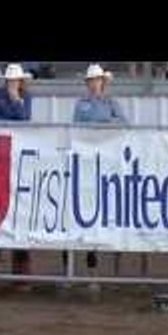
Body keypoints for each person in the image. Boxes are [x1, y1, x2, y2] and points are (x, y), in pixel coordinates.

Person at [72, 64, 128, 290]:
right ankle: (90, 271)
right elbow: (75, 129)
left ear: (103, 82)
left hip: (106, 164)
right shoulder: (81, 104)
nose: (93, 84)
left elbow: (124, 125)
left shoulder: (112, 104)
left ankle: (105, 270)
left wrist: (103, 126)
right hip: (88, 163)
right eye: (91, 81)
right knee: (85, 212)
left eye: (96, 80)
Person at [0, 63, 34, 286]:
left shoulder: (26, 96)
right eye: (10, 81)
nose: (12, 84)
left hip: (19, 155)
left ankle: (20, 263)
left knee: (20, 208)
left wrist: (15, 100)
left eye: (15, 81)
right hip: (3, 153)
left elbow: (25, 120)